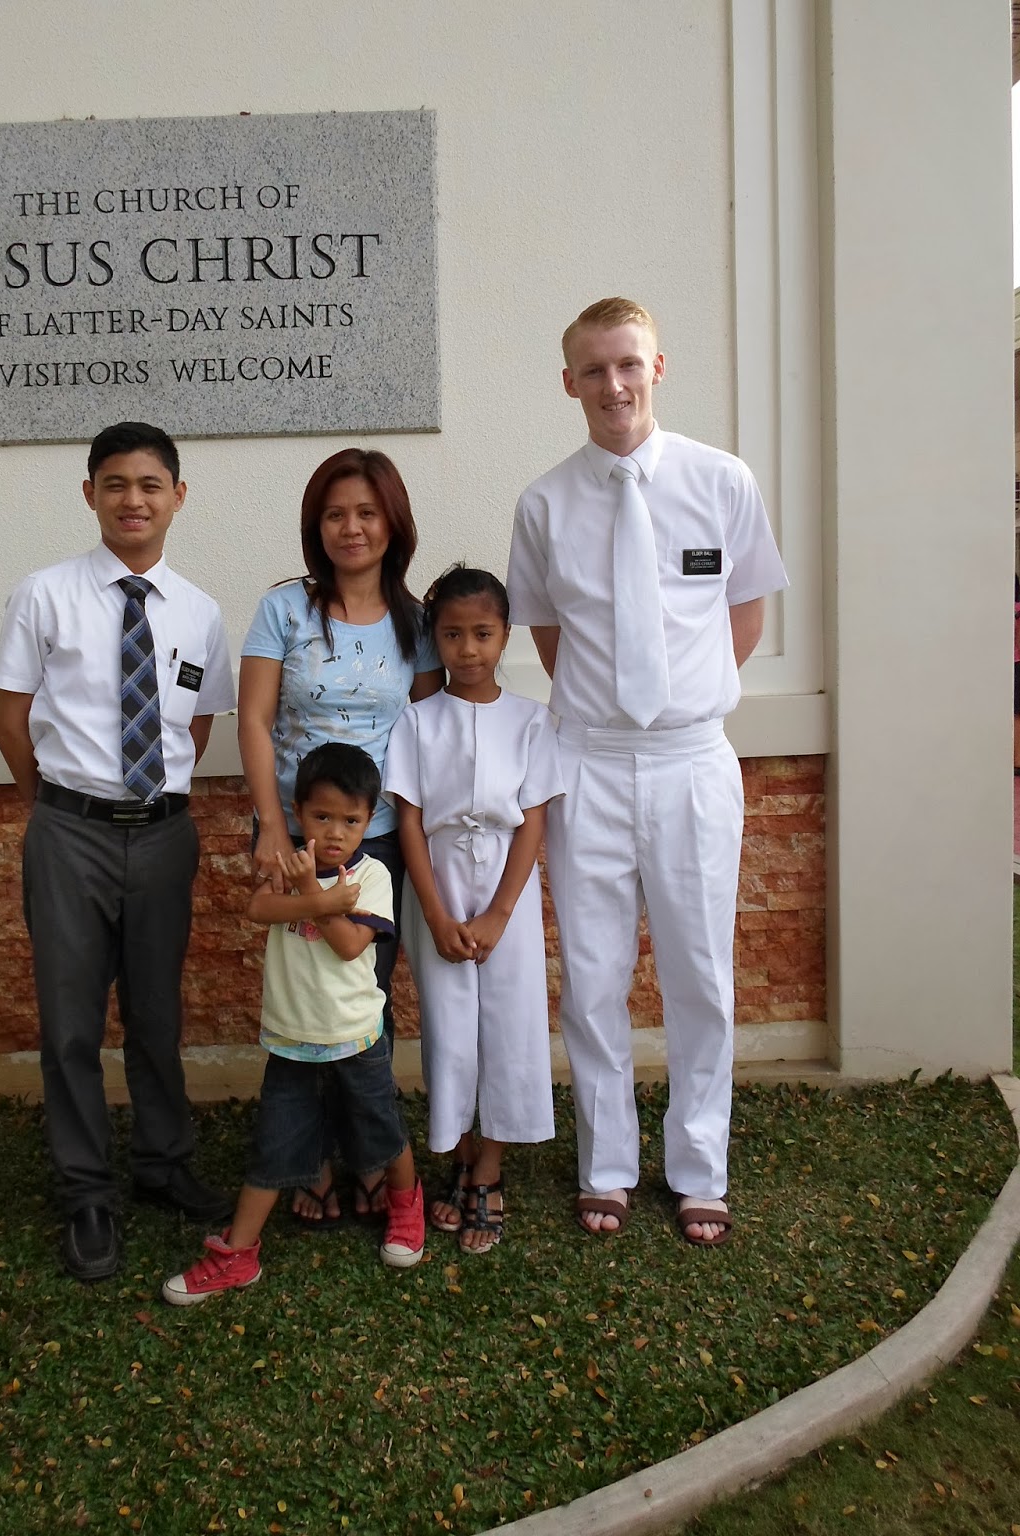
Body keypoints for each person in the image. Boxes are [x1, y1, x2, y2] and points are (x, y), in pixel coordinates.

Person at [506, 298, 788, 1246]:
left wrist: (679, 701)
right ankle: (608, 1165)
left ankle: (700, 1166)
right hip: (588, 760)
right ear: (569, 382)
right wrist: (612, 710)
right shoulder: (544, 504)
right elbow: (551, 638)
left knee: (699, 971)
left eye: (628, 364)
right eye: (594, 369)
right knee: (592, 977)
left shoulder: (722, 481)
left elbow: (743, 615)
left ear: (657, 368)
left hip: (689, 761)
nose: (613, 384)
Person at [0, 420, 236, 1282]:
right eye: (116, 484)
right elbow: (10, 721)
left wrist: (146, 802)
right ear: (90, 493)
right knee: (70, 1024)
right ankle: (86, 1191)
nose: (134, 500)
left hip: (164, 835)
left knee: (157, 1015)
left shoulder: (200, 613)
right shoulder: (44, 595)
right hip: (70, 833)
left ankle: (164, 1164)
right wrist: (61, 809)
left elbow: (194, 731)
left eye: (150, 484)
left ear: (178, 496)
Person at [238, 447, 442, 1226]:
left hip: (377, 843)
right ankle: (314, 1164)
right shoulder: (284, 610)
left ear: (394, 522)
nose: (351, 528)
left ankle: (371, 1160)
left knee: (362, 1001)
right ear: (315, 525)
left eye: (366, 512)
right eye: (334, 514)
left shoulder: (416, 622)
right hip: (293, 841)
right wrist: (270, 824)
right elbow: (254, 719)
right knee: (304, 997)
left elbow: (429, 732)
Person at [161, 743, 426, 1303]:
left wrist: (309, 893)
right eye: (322, 816)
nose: (334, 833)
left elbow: (351, 944)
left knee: (381, 1127)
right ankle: (237, 1254)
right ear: (298, 812)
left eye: (350, 821)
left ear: (369, 821)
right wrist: (320, 897)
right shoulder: (287, 865)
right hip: (291, 1040)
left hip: (356, 1036)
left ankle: (407, 1206)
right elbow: (259, 909)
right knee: (274, 1143)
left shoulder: (374, 875)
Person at [384, 566, 563, 1254]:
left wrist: (500, 914)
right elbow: (409, 819)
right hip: (439, 883)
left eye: (483, 633)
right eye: (453, 634)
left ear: (505, 635)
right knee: (450, 1026)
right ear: (435, 638)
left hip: (505, 891)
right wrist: (434, 913)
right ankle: (459, 1154)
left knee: (510, 1024)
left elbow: (533, 820)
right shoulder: (416, 720)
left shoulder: (531, 721)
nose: (468, 649)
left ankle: (490, 1167)